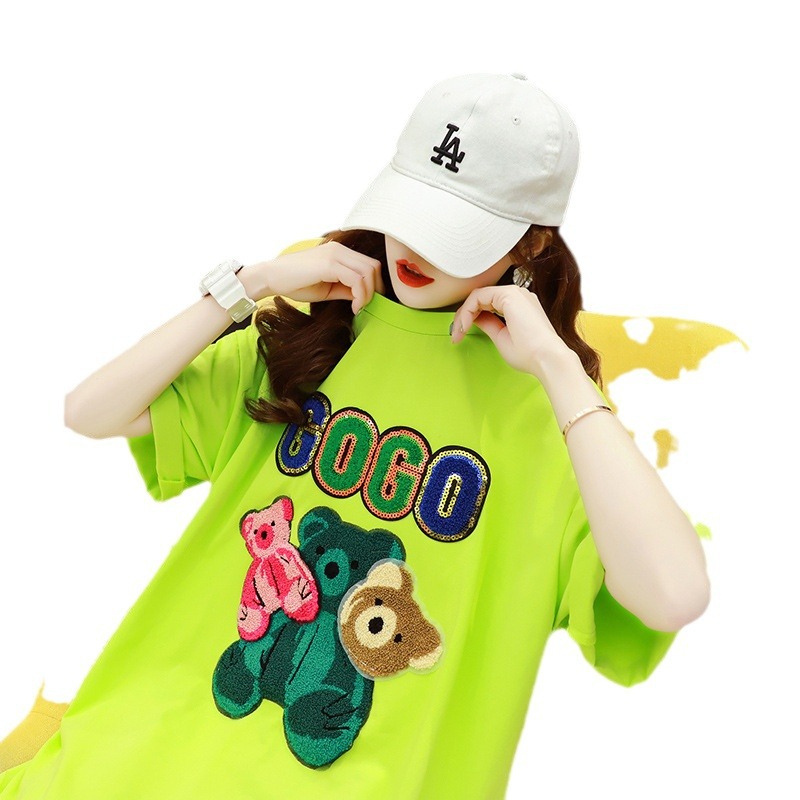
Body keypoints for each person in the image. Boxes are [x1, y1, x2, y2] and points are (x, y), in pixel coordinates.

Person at [0, 72, 709, 799]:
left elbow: (674, 595)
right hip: (139, 763)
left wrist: (560, 370)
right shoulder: (315, 336)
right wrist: (250, 283)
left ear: (531, 242)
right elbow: (89, 411)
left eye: (457, 231)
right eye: (414, 208)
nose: (416, 246)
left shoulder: (557, 424)